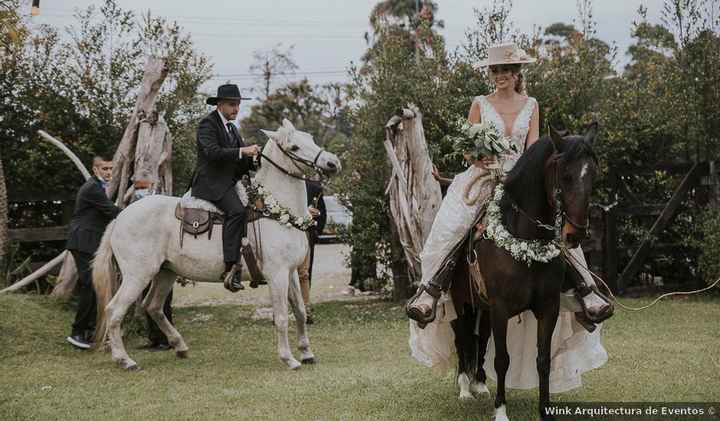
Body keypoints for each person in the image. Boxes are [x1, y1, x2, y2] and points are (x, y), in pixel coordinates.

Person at [406, 43, 610, 392]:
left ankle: (585, 289)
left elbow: (533, 149)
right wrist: (480, 158)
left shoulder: (531, 105)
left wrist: (521, 174)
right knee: (455, 226)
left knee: (553, 225)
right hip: (483, 177)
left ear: (518, 73)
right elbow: (468, 147)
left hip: (522, 179)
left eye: (507, 70)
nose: (501, 76)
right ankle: (433, 288)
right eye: (495, 70)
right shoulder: (479, 104)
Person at [191, 84, 260, 292]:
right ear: (220, 104)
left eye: (238, 104)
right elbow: (213, 153)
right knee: (237, 211)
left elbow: (239, 161)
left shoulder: (232, 128)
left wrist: (254, 160)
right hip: (210, 183)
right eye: (232, 104)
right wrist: (242, 150)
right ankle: (230, 267)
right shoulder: (207, 125)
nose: (236, 109)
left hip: (229, 182)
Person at [65, 156, 121, 349]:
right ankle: (77, 332)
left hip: (88, 241)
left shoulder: (98, 188)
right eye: (104, 168)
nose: (108, 172)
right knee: (89, 284)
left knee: (92, 285)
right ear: (95, 169)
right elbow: (112, 211)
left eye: (111, 169)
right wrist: (137, 213)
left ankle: (87, 331)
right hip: (83, 241)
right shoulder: (93, 189)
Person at [298, 177, 327, 324]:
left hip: (307, 234)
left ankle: (306, 309)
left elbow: (322, 213)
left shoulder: (314, 188)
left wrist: (316, 233)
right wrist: (305, 210)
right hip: (287, 232)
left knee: (304, 274)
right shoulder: (284, 182)